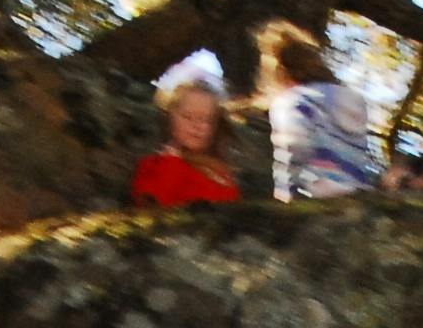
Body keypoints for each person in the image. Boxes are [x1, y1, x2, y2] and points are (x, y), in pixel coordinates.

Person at [254, 19, 379, 201]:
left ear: (280, 71)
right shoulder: (353, 101)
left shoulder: (293, 101)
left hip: (314, 193)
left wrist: (284, 195)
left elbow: (294, 148)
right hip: (354, 196)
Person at [129, 75, 240, 209]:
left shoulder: (221, 172)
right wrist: (171, 163)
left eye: (206, 120)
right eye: (188, 117)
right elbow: (153, 207)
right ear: (170, 120)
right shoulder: (153, 166)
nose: (197, 126)